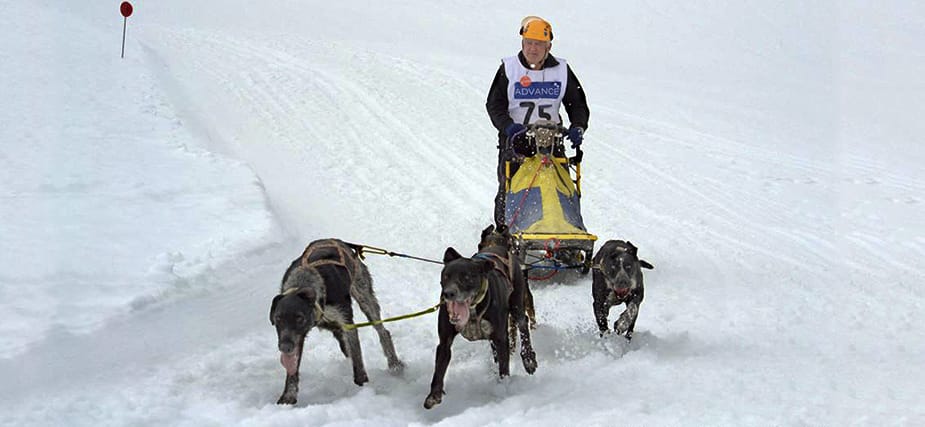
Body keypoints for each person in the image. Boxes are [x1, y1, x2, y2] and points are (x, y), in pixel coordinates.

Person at [486, 16, 590, 228]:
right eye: (529, 43)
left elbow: (577, 104)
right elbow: (494, 105)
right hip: (517, 139)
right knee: (510, 188)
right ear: (522, 43)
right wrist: (509, 127)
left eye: (539, 44)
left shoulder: (561, 70)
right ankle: (505, 231)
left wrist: (578, 126)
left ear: (548, 46)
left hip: (552, 140)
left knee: (559, 186)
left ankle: (562, 229)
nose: (533, 49)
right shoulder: (509, 68)